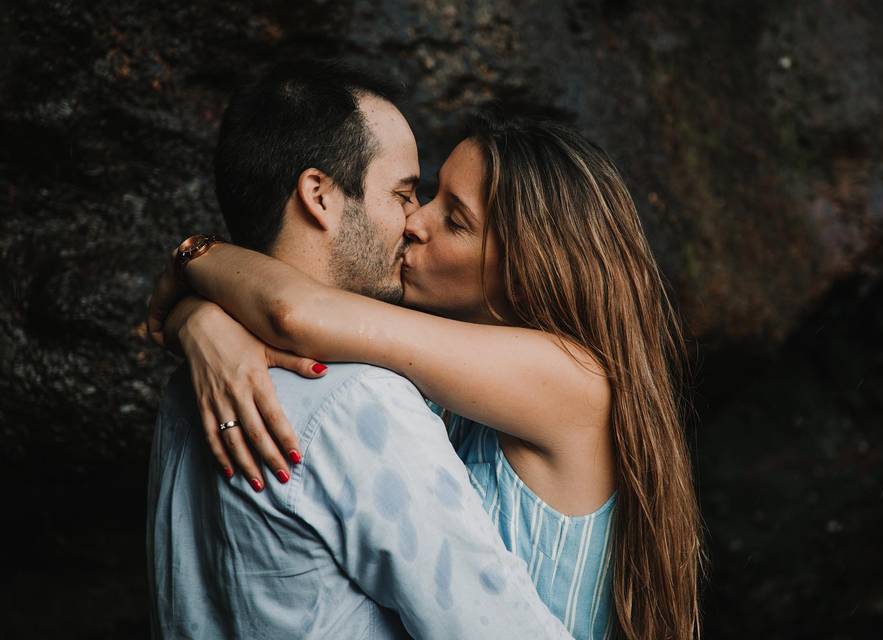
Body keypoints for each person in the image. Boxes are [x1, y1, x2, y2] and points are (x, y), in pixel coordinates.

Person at [151, 85, 705, 640]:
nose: (416, 221)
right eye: (423, 195)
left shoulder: (569, 378)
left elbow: (296, 313)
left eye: (455, 219)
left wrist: (194, 261)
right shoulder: (444, 381)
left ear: (525, 265)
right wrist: (202, 322)